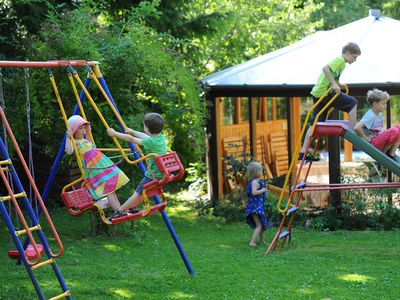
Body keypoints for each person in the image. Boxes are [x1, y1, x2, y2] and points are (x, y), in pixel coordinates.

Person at [299, 42, 361, 161]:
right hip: (325, 92)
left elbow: (331, 76)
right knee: (353, 103)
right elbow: (325, 68)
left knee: (315, 124)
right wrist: (334, 84)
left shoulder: (342, 63)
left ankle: (303, 152)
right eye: (354, 57)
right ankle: (352, 129)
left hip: (319, 93)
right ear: (347, 54)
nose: (355, 60)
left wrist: (338, 84)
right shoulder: (340, 61)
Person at [65, 115, 129, 215]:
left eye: (84, 129)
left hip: (100, 165)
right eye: (80, 129)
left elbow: (92, 145)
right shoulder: (75, 142)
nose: (83, 131)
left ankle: (119, 210)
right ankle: (118, 210)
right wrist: (68, 138)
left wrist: (89, 133)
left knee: (111, 189)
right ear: (73, 131)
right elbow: (69, 151)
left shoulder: (84, 140)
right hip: (94, 169)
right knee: (108, 190)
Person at [107, 112, 166, 219]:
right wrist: (133, 131)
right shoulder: (161, 138)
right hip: (160, 173)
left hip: (152, 175)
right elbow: (145, 136)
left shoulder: (150, 142)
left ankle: (120, 211)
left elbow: (131, 140)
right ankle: (132, 207)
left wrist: (114, 133)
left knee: (137, 192)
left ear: (147, 128)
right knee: (142, 192)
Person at [354, 89, 400, 160]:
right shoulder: (370, 115)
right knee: (395, 131)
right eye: (383, 104)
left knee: (398, 128)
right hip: (374, 143)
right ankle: (385, 152)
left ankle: (391, 152)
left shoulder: (379, 113)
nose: (386, 105)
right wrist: (367, 139)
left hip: (377, 138)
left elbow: (377, 129)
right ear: (374, 104)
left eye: (386, 103)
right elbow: (357, 127)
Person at [245, 161, 269, 247]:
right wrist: (263, 190)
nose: (262, 171)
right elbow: (254, 192)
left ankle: (262, 241)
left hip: (257, 207)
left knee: (261, 225)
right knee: (259, 225)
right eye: (260, 170)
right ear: (256, 172)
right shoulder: (255, 182)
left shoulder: (256, 181)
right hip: (255, 208)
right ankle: (252, 242)